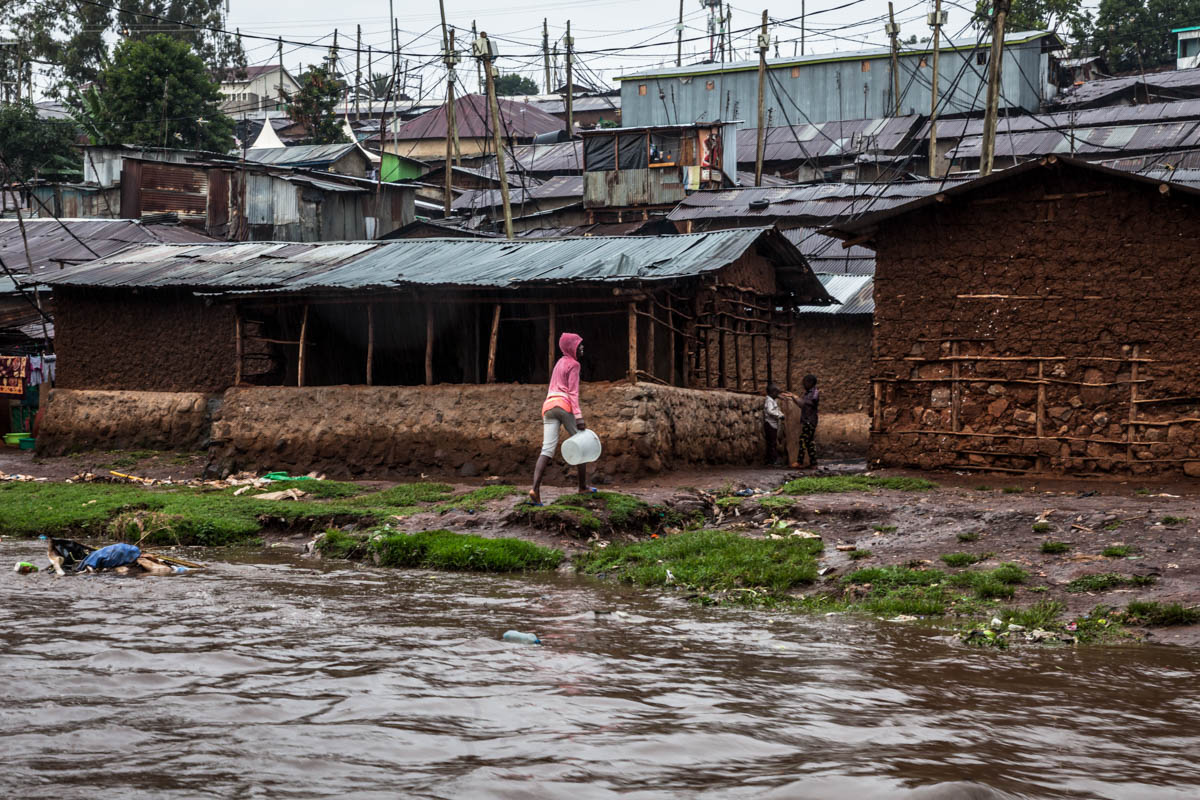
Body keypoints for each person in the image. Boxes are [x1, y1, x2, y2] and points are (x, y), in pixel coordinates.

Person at [529, 332, 588, 505]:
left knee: (546, 450)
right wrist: (579, 417)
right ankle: (582, 487)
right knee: (582, 443)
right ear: (571, 347)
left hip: (548, 407)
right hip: (563, 405)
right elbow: (573, 393)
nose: (582, 347)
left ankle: (535, 490)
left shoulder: (559, 363)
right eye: (579, 345)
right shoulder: (574, 364)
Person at [798, 374, 820, 469]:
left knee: (803, 440)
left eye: (805, 382)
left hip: (810, 421)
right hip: (808, 420)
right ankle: (813, 463)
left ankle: (800, 462)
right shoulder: (808, 393)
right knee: (809, 443)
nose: (803, 384)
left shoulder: (814, 392)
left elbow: (808, 403)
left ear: (810, 382)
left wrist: (795, 398)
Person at [763, 384, 784, 466]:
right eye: (777, 393)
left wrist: (781, 414)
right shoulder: (769, 401)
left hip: (773, 424)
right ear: (772, 392)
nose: (778, 394)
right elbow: (770, 411)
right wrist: (779, 415)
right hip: (770, 424)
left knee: (772, 442)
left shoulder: (773, 400)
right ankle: (773, 460)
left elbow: (777, 410)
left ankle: (770, 460)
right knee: (772, 443)